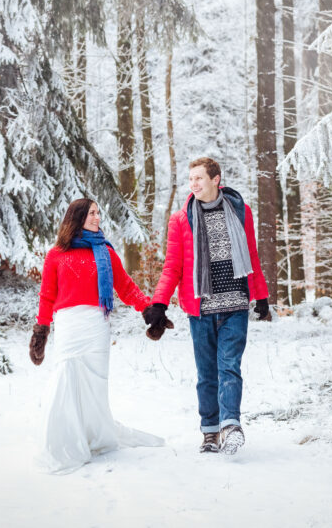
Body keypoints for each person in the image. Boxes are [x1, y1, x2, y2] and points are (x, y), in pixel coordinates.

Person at [29, 198, 166, 473]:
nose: (97, 218)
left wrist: (148, 309)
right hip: (69, 325)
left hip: (96, 326)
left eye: (98, 213)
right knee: (65, 379)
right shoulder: (56, 254)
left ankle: (94, 436)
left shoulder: (105, 252)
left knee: (94, 385)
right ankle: (65, 441)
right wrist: (41, 331)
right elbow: (47, 296)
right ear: (77, 217)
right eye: (92, 213)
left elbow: (125, 286)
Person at [146, 157, 272, 455]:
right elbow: (172, 266)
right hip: (199, 309)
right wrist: (159, 303)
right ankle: (210, 432)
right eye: (191, 180)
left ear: (216, 179)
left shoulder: (240, 211)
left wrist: (261, 295)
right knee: (206, 373)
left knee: (230, 367)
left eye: (199, 178)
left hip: (235, 304)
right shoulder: (180, 220)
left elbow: (251, 255)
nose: (194, 184)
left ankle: (231, 427)